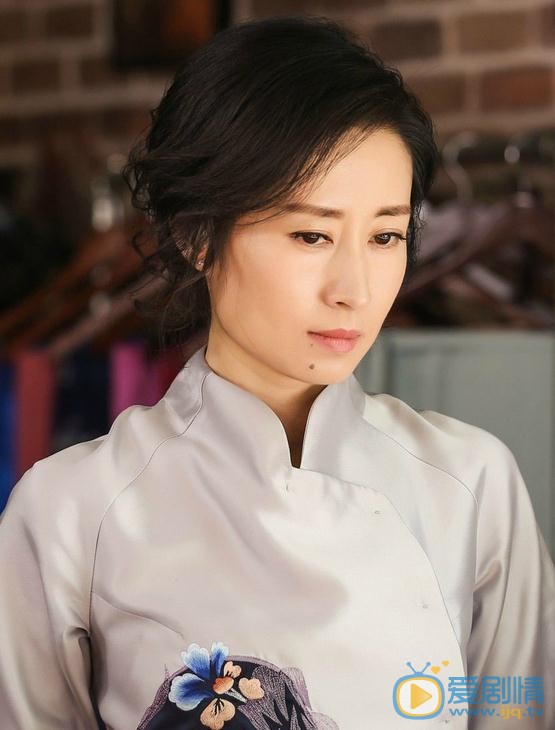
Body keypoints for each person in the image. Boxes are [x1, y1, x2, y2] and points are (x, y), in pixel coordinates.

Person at [0, 14, 553, 730]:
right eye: (311, 235)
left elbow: (518, 712)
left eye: (385, 235)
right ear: (197, 234)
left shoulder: (472, 487)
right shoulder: (70, 513)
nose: (353, 289)